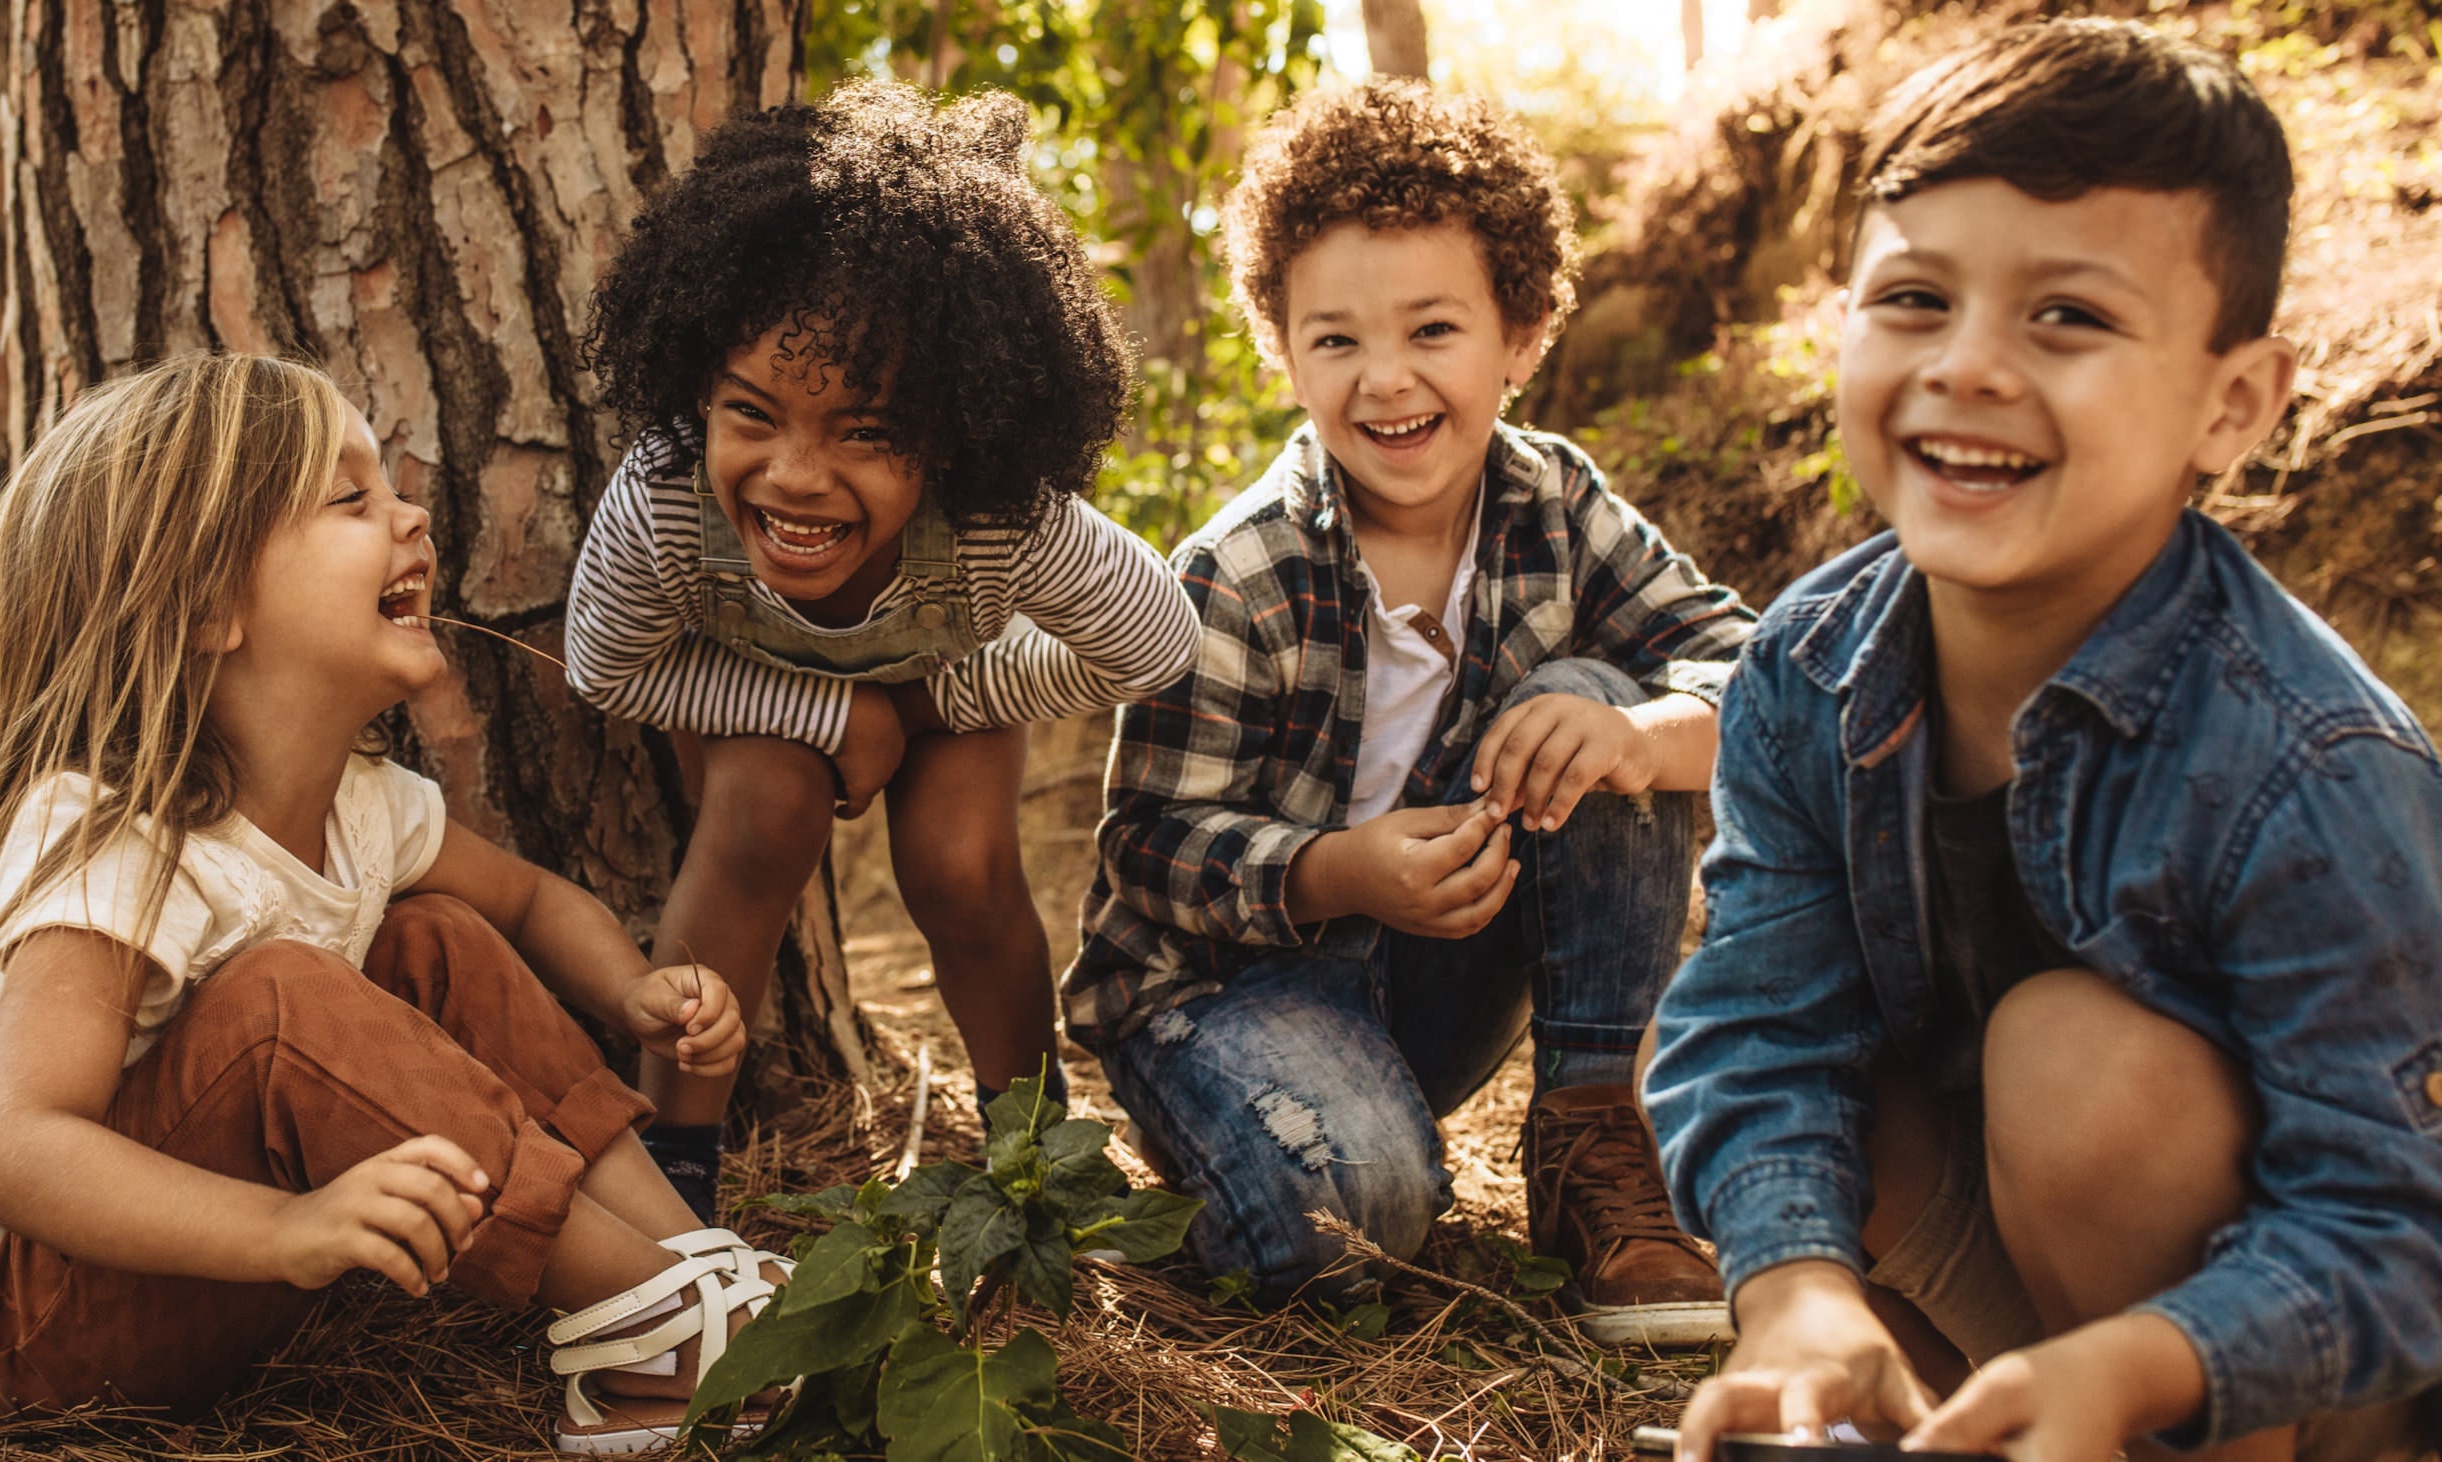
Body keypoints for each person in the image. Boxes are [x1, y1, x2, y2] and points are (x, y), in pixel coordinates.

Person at [1647, 19, 2442, 1461]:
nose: (1969, 367)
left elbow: (2392, 1222)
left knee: (2078, 1066)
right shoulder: (1807, 669)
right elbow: (1757, 1025)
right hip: (2030, 1278)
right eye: (1913, 298)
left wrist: (2141, 1366)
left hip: (2298, 1352)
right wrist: (1796, 1287)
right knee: (1812, 1073)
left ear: (2234, 403)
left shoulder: (2309, 760)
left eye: (2065, 316)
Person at [0, 355, 792, 1453]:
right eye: (351, 499)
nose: (411, 516)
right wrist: (287, 1229)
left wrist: (629, 988)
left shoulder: (366, 804)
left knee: (432, 936)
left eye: (388, 489)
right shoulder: (112, 837)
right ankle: (672, 1329)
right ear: (207, 603)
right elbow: (26, 1150)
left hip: (205, 1265)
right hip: (28, 1324)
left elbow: (529, 903)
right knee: (285, 996)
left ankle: (684, 1266)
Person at [1063, 78, 1755, 1341]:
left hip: (1437, 977)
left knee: (1592, 704)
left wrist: (1641, 736)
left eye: (1432, 329)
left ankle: (1592, 1134)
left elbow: (1758, 673)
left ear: (1523, 333)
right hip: (1225, 998)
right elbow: (1147, 846)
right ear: (1282, 350)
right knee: (1354, 1220)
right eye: (1335, 340)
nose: (1385, 382)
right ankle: (1265, 1163)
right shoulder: (1238, 571)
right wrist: (1335, 872)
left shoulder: (1556, 503)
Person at [566, 80, 1198, 1219]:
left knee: (958, 865)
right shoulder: (664, 497)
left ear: (953, 436)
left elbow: (1150, 641)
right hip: (753, 696)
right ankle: (672, 1187)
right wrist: (826, 714)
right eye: (750, 412)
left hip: (947, 686)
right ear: (697, 388)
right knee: (761, 810)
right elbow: (605, 667)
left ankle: (1034, 1158)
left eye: (865, 432)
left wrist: (936, 698)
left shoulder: (1000, 518)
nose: (795, 475)